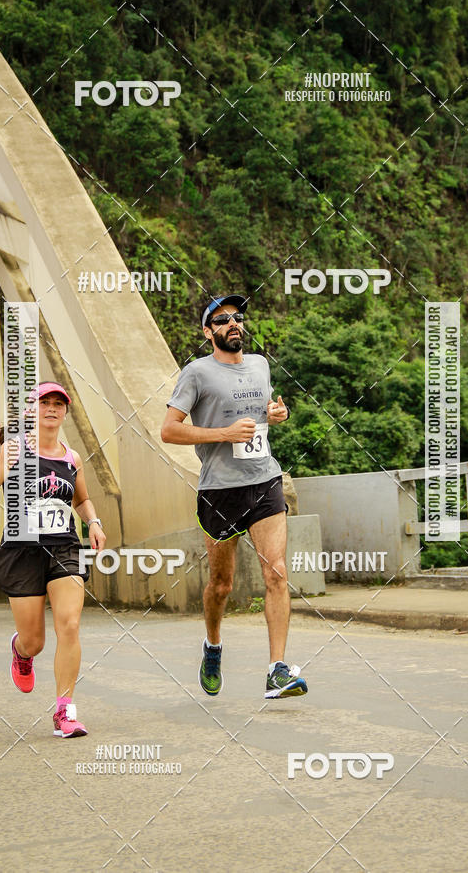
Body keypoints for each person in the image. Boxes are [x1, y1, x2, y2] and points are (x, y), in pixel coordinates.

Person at [161, 295, 307, 699]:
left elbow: (266, 411)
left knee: (276, 572)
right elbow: (169, 430)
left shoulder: (260, 364)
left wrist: (279, 414)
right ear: (208, 332)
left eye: (237, 318)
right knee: (221, 585)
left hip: (264, 480)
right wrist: (222, 434)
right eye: (222, 320)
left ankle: (277, 670)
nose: (233, 324)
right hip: (219, 490)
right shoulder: (196, 373)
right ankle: (212, 645)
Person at [0, 381, 106, 737]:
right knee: (36, 641)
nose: (51, 408)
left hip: (64, 548)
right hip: (23, 550)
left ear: (65, 411)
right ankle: (21, 651)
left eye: (57, 403)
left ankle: (65, 712)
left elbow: (81, 499)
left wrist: (93, 521)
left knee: (70, 624)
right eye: (43, 402)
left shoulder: (71, 457)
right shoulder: (13, 450)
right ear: (31, 410)